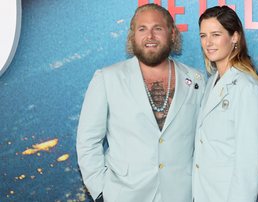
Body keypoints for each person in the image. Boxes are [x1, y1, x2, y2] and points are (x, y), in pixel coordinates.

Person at [76, 3, 205, 202]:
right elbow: (87, 142)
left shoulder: (196, 80)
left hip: (181, 195)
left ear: (172, 34)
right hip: (124, 195)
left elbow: (204, 142)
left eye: (158, 28)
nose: (150, 36)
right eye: (142, 29)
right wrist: (100, 191)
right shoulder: (107, 79)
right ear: (132, 36)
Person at [192, 6, 258, 202]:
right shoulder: (211, 82)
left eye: (216, 35)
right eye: (203, 35)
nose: (208, 43)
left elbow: (249, 165)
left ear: (234, 37)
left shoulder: (247, 88)